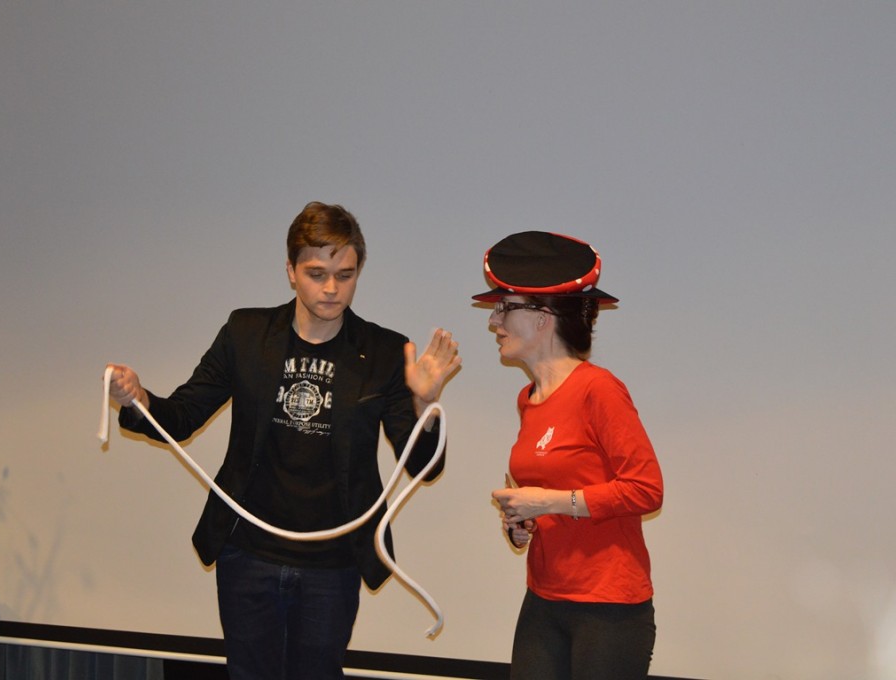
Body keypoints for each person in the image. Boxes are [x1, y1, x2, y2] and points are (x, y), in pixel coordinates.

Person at [106, 201, 460, 680]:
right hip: (247, 554)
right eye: (317, 273)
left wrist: (425, 405)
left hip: (333, 563)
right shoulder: (247, 333)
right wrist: (137, 398)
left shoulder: (382, 352)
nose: (332, 288)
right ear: (291, 271)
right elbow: (183, 416)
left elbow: (422, 467)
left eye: (345, 275)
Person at [477, 231, 663, 680]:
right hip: (544, 599)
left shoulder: (598, 389)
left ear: (543, 317)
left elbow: (646, 490)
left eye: (505, 307)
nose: (494, 321)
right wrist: (521, 524)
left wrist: (548, 501)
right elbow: (545, 497)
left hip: (608, 608)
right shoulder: (528, 398)